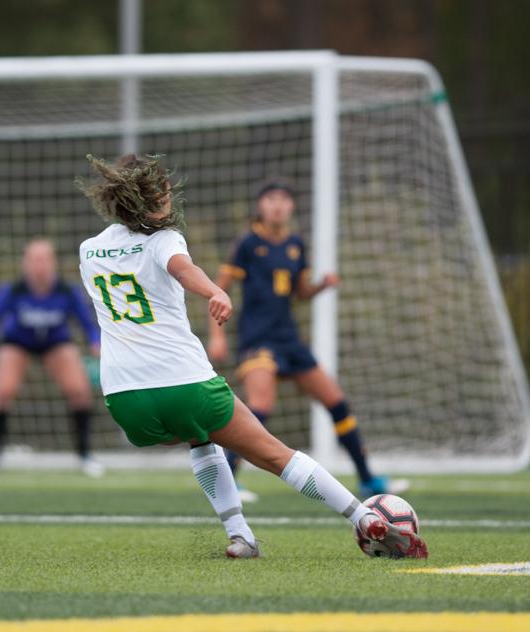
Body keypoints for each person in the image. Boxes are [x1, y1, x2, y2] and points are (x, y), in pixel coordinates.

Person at [76, 154, 426, 560]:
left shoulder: (89, 250)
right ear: (151, 198)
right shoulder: (165, 240)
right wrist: (215, 292)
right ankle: (363, 517)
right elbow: (182, 268)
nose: (171, 199)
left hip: (124, 398)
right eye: (166, 192)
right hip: (184, 382)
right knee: (275, 454)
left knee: (201, 437)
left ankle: (240, 535)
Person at [207, 180, 409, 503]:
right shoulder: (247, 243)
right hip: (258, 340)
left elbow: (300, 293)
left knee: (337, 404)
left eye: (284, 200)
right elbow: (219, 288)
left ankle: (368, 479)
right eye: (270, 199)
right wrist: (217, 335)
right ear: (261, 206)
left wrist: (321, 286)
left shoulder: (295, 245)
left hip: (290, 340)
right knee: (259, 408)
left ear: (291, 208)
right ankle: (228, 481)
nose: (277, 205)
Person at [0, 238, 104, 478]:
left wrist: (97, 344)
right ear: (25, 263)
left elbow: (88, 323)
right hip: (17, 343)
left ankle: (84, 456)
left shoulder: (67, 291)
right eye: (33, 259)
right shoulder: (13, 291)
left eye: (44, 259)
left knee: (79, 391)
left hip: (56, 343)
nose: (39, 265)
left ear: (54, 263)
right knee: (1, 393)